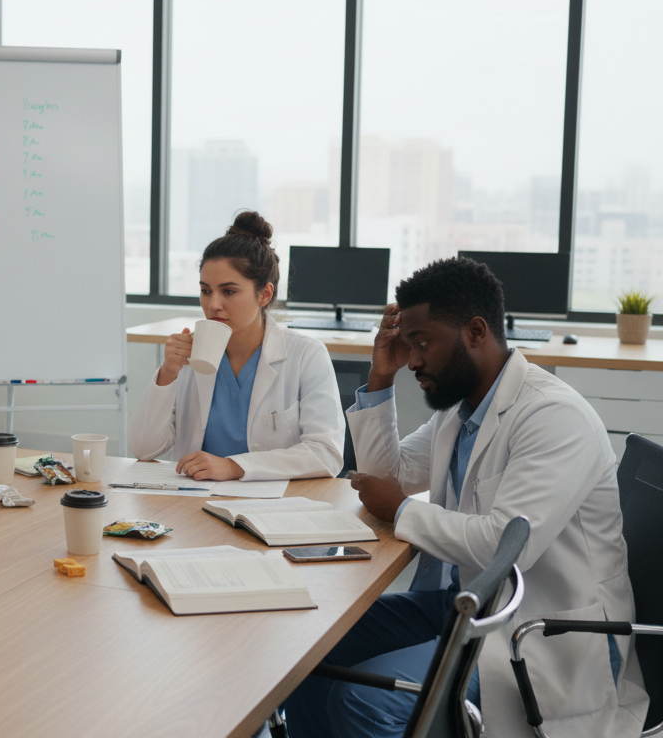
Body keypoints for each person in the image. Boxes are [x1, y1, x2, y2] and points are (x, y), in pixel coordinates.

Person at [285, 256, 648, 736]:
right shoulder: (461, 411)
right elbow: (384, 476)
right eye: (408, 344)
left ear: (476, 332)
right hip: (466, 602)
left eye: (422, 343)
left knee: (368, 703)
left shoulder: (553, 417)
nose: (413, 359)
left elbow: (504, 547)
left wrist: (400, 509)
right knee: (305, 644)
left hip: (535, 628)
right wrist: (379, 378)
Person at [129, 211, 345, 481]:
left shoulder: (306, 355)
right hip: (196, 500)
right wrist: (167, 373)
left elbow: (326, 453)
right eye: (206, 290)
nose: (213, 304)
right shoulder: (189, 355)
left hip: (272, 506)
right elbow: (144, 449)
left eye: (229, 291)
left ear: (264, 294)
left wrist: (234, 466)